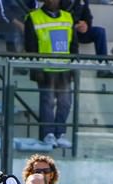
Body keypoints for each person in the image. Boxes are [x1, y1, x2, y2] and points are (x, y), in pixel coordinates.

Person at [24, 0, 78, 149]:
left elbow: (73, 45)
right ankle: (47, 134)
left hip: (64, 69)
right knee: (47, 103)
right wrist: (36, 69)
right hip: (45, 69)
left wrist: (73, 67)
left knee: (65, 103)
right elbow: (30, 46)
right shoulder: (34, 17)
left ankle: (59, 133)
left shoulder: (68, 17)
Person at [60, 0, 113, 80]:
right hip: (65, 30)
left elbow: (88, 15)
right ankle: (70, 69)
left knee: (100, 32)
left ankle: (103, 68)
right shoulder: (57, 1)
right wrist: (74, 26)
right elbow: (56, 18)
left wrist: (86, 24)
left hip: (80, 32)